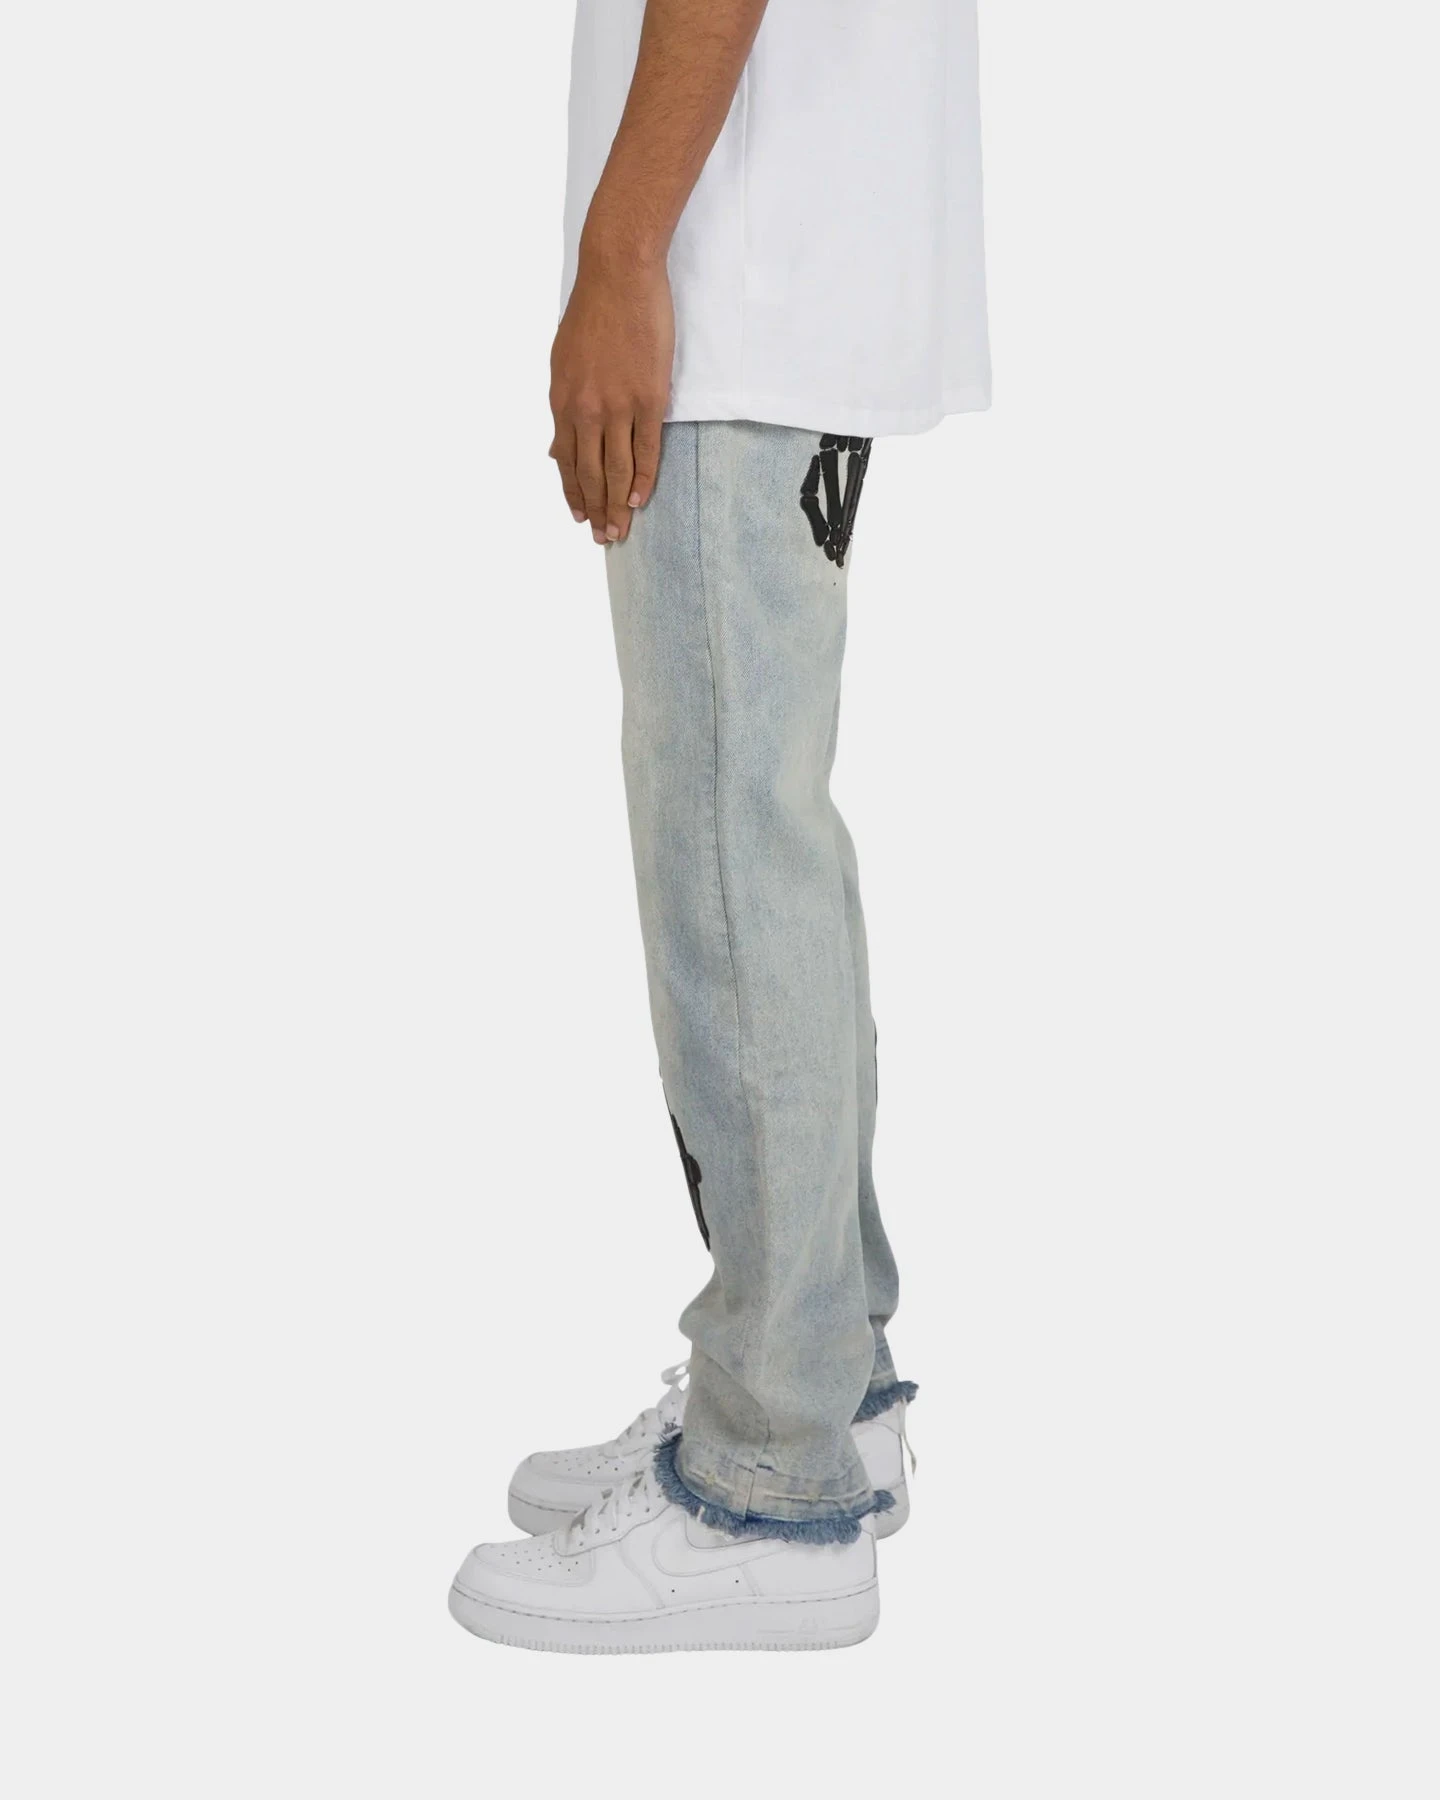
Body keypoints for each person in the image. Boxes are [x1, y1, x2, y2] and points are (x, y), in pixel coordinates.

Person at [449, 0, 989, 1653]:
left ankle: (770, 1474)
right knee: (768, 842)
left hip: (728, 276)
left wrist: (621, 255)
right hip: (783, 257)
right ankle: (829, 1380)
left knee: (731, 861)